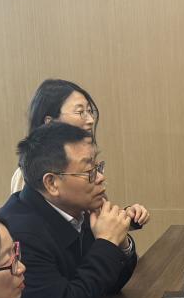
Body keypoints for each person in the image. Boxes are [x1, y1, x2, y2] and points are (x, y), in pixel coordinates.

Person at [0, 121, 137, 298]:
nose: (101, 177)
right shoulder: (20, 234)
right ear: (52, 183)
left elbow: (111, 285)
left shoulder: (77, 208)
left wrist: (120, 241)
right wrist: (107, 242)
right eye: (89, 171)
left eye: (98, 167)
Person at [8, 79, 151, 233]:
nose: (91, 120)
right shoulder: (27, 176)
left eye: (90, 111)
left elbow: (95, 221)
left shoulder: (84, 160)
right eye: (80, 112)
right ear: (50, 122)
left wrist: (124, 218)